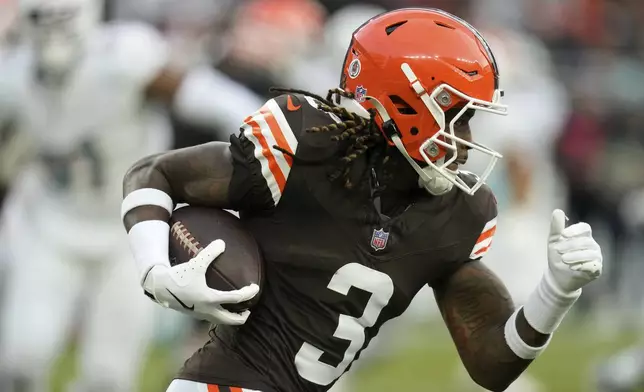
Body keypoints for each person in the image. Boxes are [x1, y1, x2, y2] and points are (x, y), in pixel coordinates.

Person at [121, 8, 603, 392]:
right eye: (457, 117)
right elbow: (154, 172)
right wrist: (153, 269)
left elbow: (492, 366)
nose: (468, 138)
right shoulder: (303, 148)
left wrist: (555, 293)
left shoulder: (458, 213)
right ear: (407, 106)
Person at [0, 0, 261, 390]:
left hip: (133, 227)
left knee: (109, 377)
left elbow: (206, 95)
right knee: (22, 359)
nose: (53, 30)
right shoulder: (15, 74)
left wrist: (263, 133)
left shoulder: (124, 56)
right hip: (51, 223)